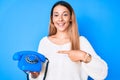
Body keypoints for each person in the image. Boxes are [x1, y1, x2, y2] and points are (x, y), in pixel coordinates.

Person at [29, 1, 108, 80]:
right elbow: (39, 75)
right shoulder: (44, 42)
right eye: (56, 15)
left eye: (65, 15)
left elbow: (102, 74)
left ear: (70, 18)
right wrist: (34, 75)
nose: (60, 19)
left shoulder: (81, 42)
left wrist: (83, 56)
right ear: (52, 19)